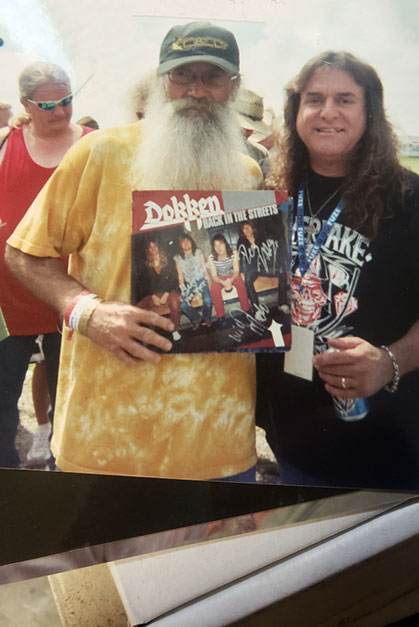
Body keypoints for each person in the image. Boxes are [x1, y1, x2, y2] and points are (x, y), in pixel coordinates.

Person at [6, 22, 262, 480]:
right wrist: (87, 312)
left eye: (213, 77)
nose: (197, 91)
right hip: (105, 441)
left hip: (219, 444)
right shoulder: (99, 153)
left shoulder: (248, 174)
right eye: (183, 76)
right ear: (162, 82)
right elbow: (25, 253)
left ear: (234, 88)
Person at [258, 51, 419, 491]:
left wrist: (388, 362)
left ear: (369, 112)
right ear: (295, 112)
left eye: (345, 99)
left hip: (384, 456)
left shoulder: (410, 198)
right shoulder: (271, 191)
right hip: (293, 443)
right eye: (313, 99)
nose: (328, 112)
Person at [0, 62, 93, 468]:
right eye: (48, 104)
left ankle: (64, 475)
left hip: (70, 297)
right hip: (7, 300)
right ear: (26, 104)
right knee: (1, 398)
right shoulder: (5, 143)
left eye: (66, 101)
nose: (59, 112)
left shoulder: (95, 144)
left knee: (72, 400)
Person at [237, 220, 289, 313]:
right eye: (244, 228)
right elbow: (241, 258)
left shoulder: (261, 237)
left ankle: (282, 303)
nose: (247, 230)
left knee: (282, 272)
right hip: (252, 269)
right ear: (242, 231)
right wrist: (242, 272)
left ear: (252, 228)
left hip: (264, 267)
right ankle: (256, 309)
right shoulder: (241, 242)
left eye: (248, 227)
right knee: (247, 281)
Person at [135, 240, 181, 341]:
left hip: (168, 291)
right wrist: (153, 296)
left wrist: (166, 294)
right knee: (139, 308)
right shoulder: (145, 265)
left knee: (175, 303)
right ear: (148, 250)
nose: (153, 249)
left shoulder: (168, 261)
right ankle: (149, 334)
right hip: (154, 294)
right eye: (151, 247)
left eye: (155, 246)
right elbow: (144, 283)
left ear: (159, 247)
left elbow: (173, 278)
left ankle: (175, 330)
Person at [208, 233, 250, 322]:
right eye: (216, 246)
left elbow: (236, 271)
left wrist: (231, 280)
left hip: (231, 275)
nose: (219, 248)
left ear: (225, 244)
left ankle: (247, 311)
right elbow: (214, 276)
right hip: (219, 277)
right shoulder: (211, 257)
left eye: (221, 244)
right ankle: (220, 316)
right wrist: (222, 282)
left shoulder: (233, 253)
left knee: (240, 281)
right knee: (214, 287)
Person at [174, 234, 212, 330]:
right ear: (180, 244)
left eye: (188, 241)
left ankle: (207, 318)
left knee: (208, 300)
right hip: (189, 284)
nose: (186, 244)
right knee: (183, 305)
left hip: (201, 280)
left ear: (192, 242)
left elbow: (204, 268)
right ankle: (197, 319)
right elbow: (180, 275)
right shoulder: (178, 258)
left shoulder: (198, 252)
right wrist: (182, 291)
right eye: (183, 242)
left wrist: (209, 282)